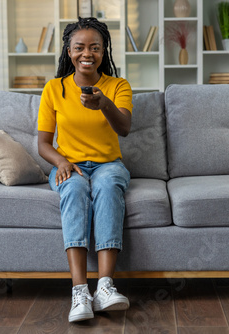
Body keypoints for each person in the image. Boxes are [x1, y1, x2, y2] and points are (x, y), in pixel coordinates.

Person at [37, 17, 133, 323]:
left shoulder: (117, 86)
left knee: (106, 186)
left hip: (108, 165)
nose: (86, 54)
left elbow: (125, 128)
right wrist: (62, 163)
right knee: (76, 189)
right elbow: (42, 144)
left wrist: (103, 103)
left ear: (104, 52)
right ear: (68, 51)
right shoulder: (54, 89)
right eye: (79, 47)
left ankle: (104, 287)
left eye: (95, 47)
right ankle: (80, 292)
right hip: (70, 167)